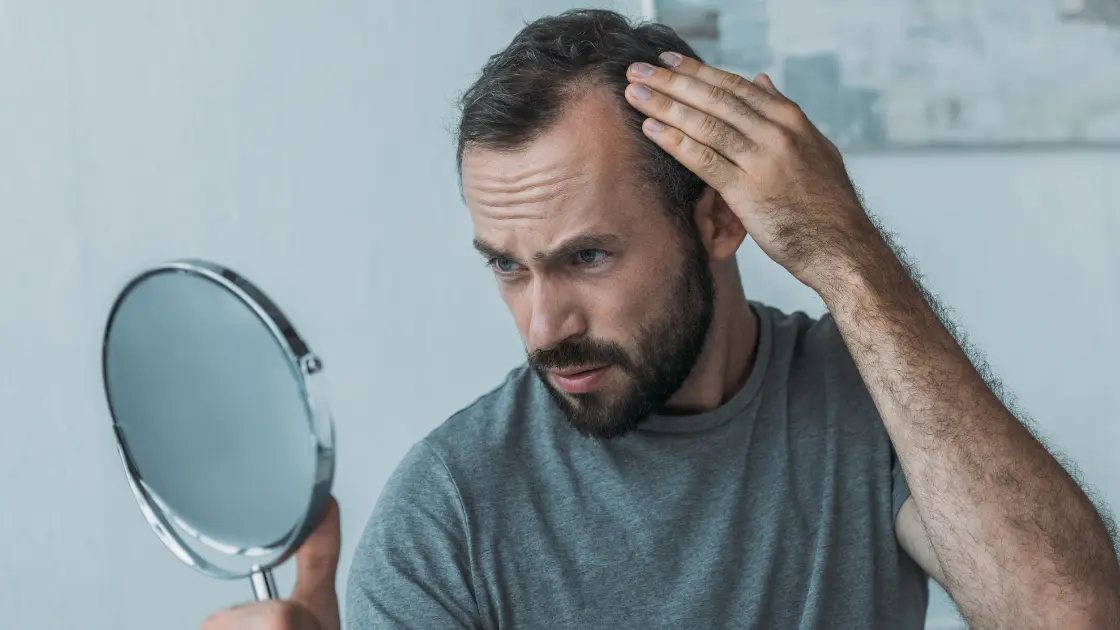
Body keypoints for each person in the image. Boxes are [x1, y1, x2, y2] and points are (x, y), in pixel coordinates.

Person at [203, 9, 1120, 630]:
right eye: (508, 268)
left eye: (587, 257)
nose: (542, 326)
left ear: (720, 219)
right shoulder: (448, 516)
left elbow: (1073, 616)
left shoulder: (869, 402)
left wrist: (849, 256)